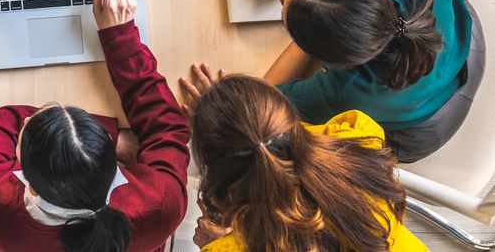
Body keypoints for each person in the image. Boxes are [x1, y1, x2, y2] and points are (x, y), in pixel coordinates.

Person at [0, 0, 190, 252]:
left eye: (26, 129)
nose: (25, 119)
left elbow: (2, 121)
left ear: (30, 185)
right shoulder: (160, 205)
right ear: (114, 165)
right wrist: (120, 38)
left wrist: (113, 135)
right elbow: (168, 128)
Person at [250, 0, 482, 162]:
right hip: (466, 48)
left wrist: (311, 35)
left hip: (420, 132)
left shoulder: (344, 93)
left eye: (285, 4)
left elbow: (266, 102)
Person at [180, 69, 427, 252]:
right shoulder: (359, 137)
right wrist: (239, 118)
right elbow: (278, 143)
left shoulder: (230, 246)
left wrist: (210, 244)